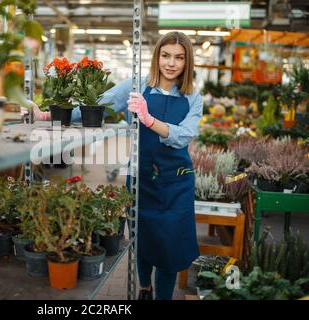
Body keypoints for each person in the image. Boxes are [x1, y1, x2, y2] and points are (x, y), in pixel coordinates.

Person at [28, 31, 202, 300]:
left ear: (187, 61)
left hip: (177, 182)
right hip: (142, 177)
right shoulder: (136, 85)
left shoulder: (193, 97)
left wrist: (148, 119)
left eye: (179, 58)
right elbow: (96, 105)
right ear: (157, 56)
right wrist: (51, 113)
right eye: (165, 55)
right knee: (143, 239)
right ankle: (145, 287)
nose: (171, 63)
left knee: (170, 247)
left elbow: (184, 136)